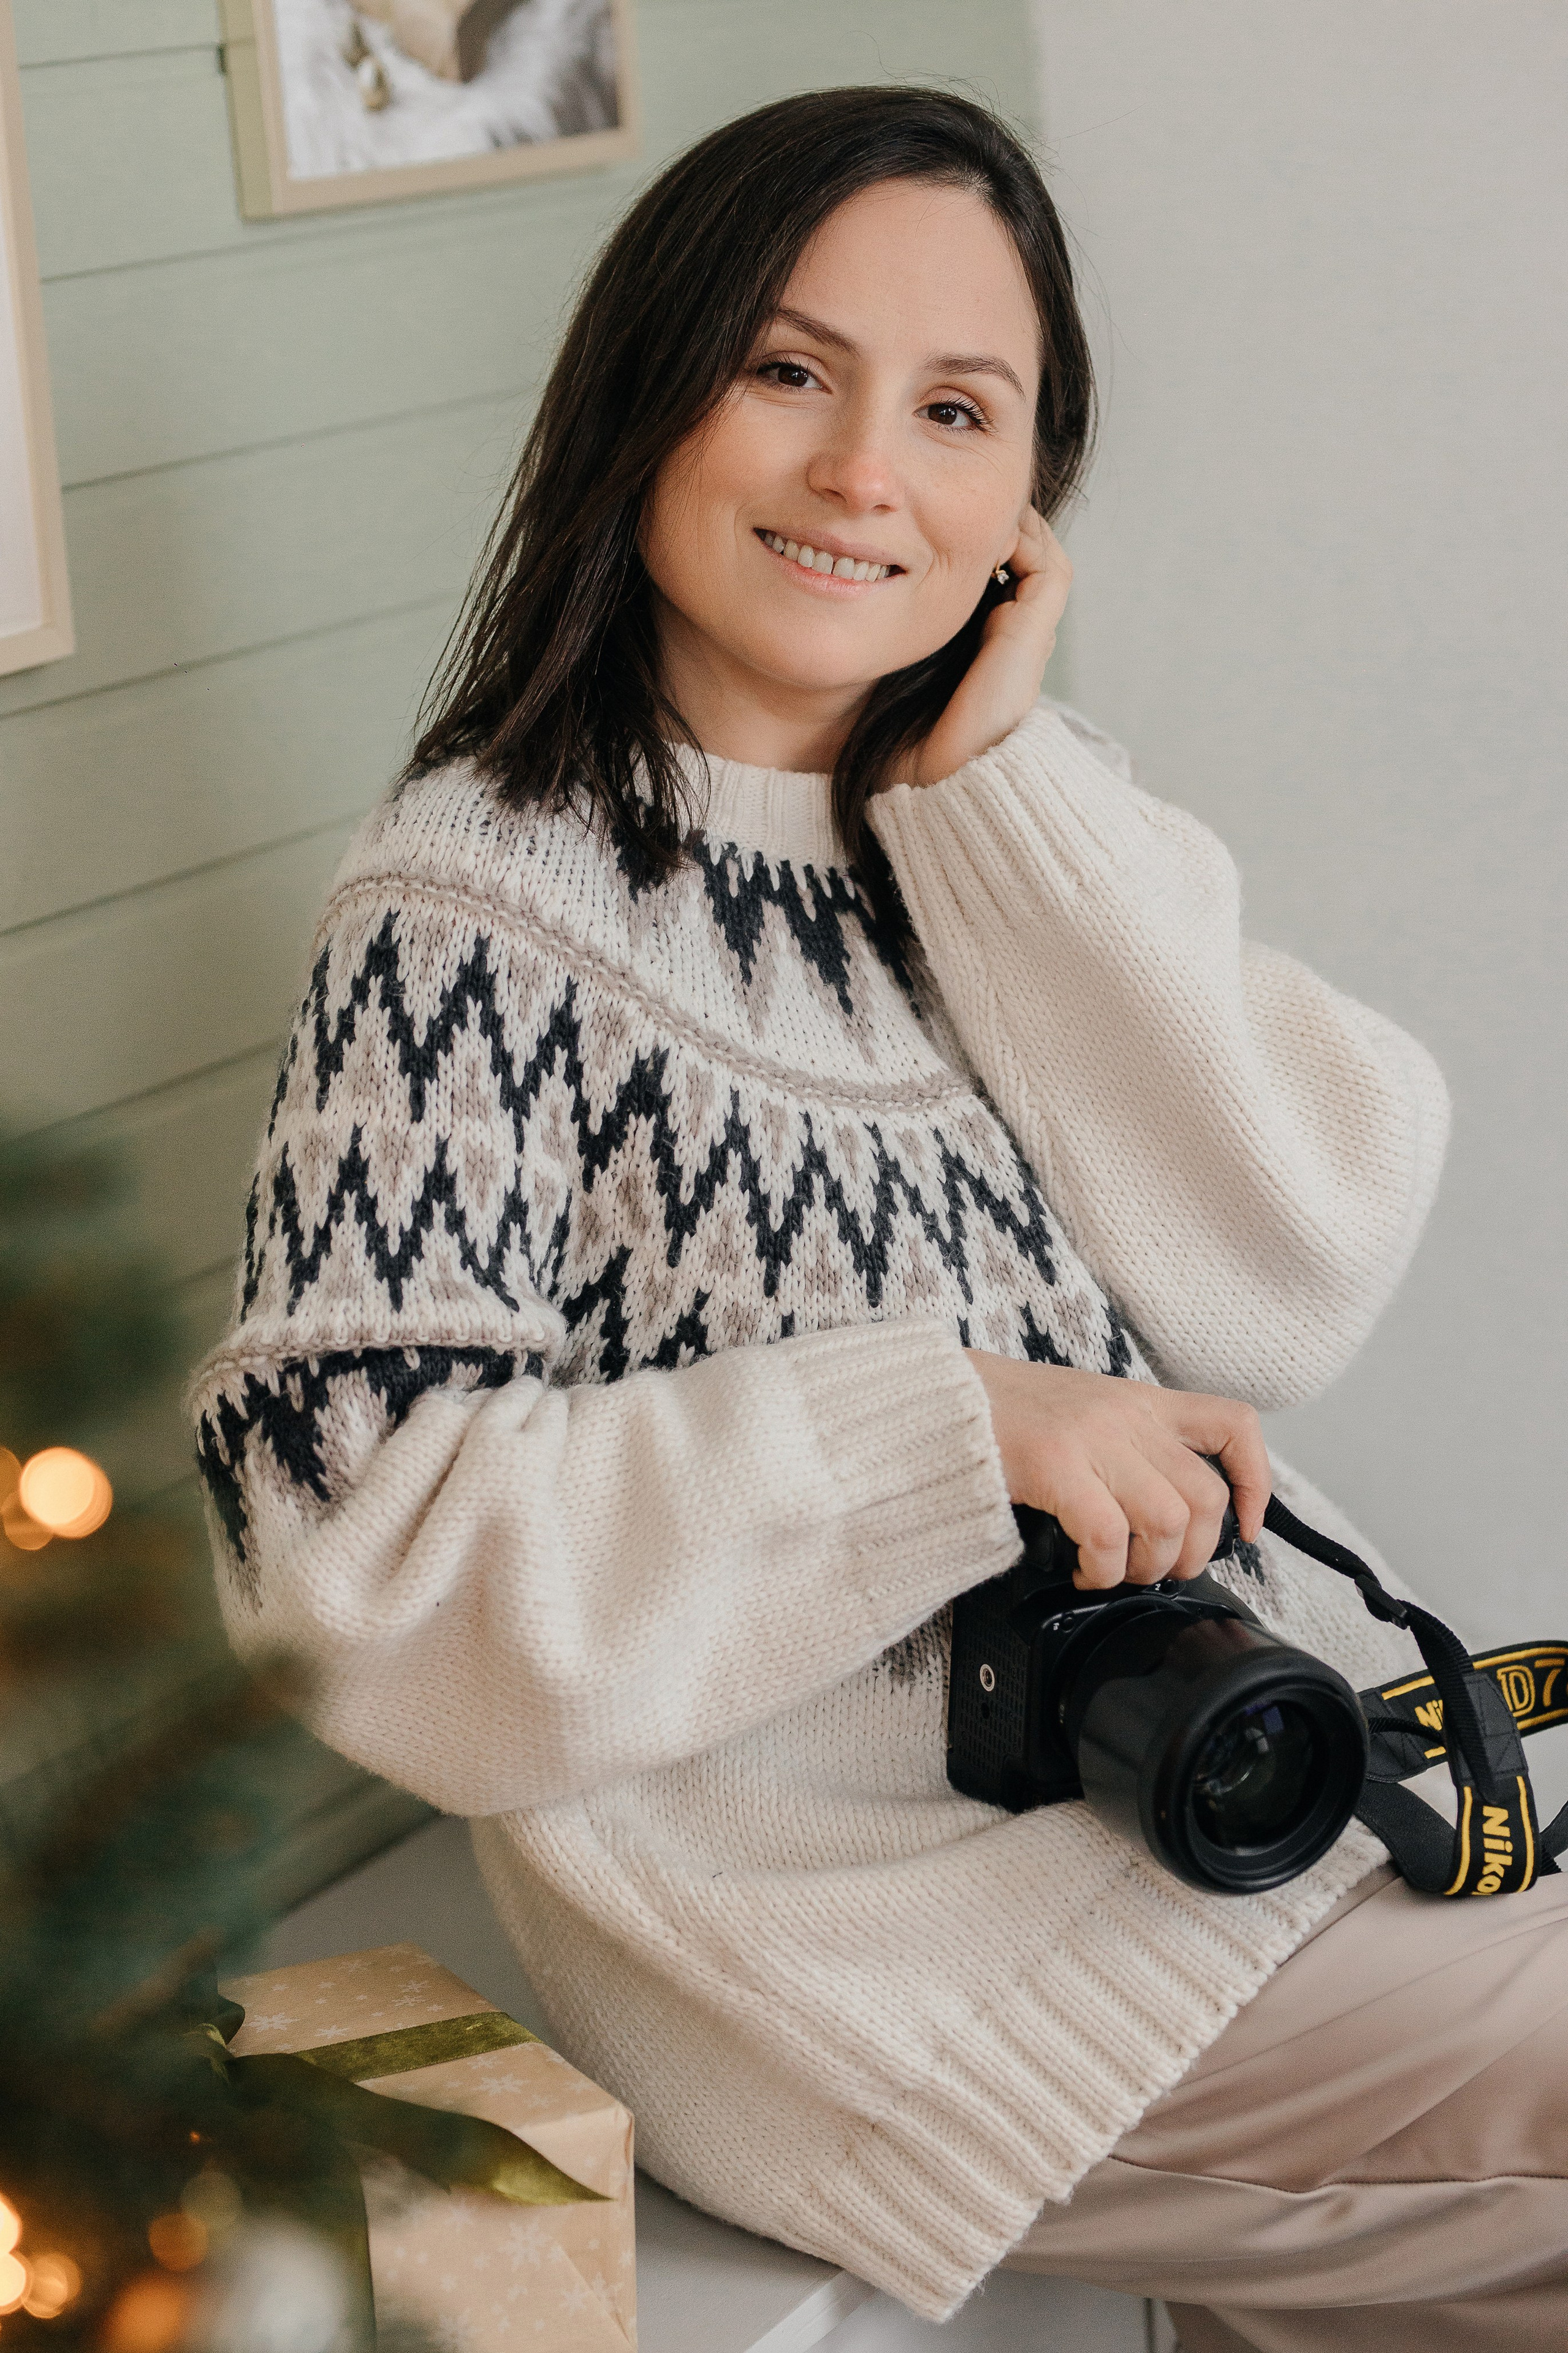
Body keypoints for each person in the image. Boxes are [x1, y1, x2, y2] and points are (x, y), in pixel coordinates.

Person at [188, 88, 1563, 2352]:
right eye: (788, 371)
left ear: (1031, 500)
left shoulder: (999, 820)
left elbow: (1295, 1266)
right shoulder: (477, 907)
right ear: (648, 393)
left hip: (1238, 1816)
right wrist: (953, 1427)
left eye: (955, 412)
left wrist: (993, 795)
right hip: (885, 1964)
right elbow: (353, 1562)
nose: (862, 475)